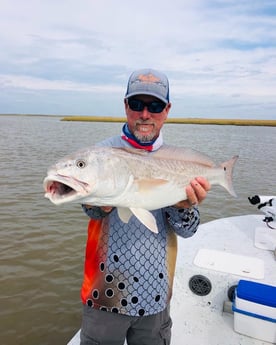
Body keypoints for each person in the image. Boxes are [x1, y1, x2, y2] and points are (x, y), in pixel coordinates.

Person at [80, 68, 210, 345]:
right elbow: (90, 211)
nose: (145, 114)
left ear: (167, 109)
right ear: (126, 105)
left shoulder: (180, 162)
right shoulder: (100, 154)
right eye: (137, 104)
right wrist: (100, 201)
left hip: (157, 295)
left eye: (155, 106)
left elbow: (189, 230)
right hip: (104, 292)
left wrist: (183, 205)